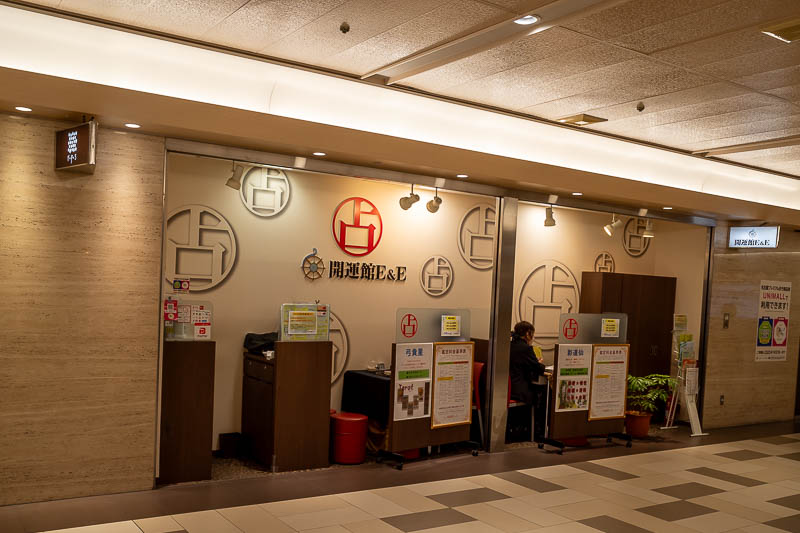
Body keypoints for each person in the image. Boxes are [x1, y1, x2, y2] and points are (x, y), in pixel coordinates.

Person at [509, 321, 550, 442]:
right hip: (519, 390)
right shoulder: (525, 348)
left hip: (510, 387)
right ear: (528, 333)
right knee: (543, 392)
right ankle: (538, 432)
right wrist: (540, 364)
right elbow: (537, 368)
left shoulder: (510, 345)